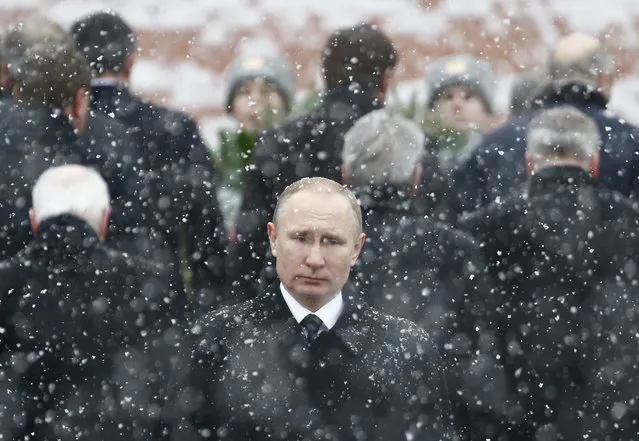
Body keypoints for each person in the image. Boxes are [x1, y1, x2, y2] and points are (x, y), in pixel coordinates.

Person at [162, 176, 453, 441]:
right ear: (274, 239)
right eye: (301, 238)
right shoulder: (215, 340)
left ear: (356, 249)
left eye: (331, 241)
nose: (314, 258)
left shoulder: (406, 349)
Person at [459, 106, 639, 440]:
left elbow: (469, 329)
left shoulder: (481, 229)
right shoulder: (630, 224)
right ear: (594, 163)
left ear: (529, 163)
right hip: (614, 412)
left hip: (515, 414)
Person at [342, 109, 498, 439]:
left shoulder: (315, 249)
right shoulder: (454, 250)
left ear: (345, 174)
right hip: (428, 423)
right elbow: (479, 360)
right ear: (415, 178)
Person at [0, 165, 187, 441]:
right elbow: (173, 388)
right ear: (104, 219)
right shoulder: (152, 285)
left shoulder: (7, 284)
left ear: (33, 221)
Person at [226, 23, 397, 302]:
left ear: (324, 75)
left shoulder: (279, 142)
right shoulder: (408, 146)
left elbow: (249, 248)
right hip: (392, 307)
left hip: (292, 312)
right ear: (386, 79)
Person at [70, 11, 227, 315]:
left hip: (76, 304)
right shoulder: (174, 129)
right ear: (129, 63)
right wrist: (209, 315)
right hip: (156, 301)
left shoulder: (65, 129)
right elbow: (207, 233)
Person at [0, 16, 159, 264]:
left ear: (17, 93)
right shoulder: (109, 141)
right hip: (98, 287)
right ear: (79, 100)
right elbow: (138, 234)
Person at [454, 32, 639, 214]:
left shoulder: (494, 144)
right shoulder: (630, 142)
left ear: (549, 78)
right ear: (603, 79)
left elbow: (466, 224)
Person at [214, 52, 295, 232]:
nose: (256, 99)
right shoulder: (216, 161)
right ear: (231, 106)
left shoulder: (300, 155)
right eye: (245, 91)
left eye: (267, 91)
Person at [423, 54, 499, 173]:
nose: (457, 105)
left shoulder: (498, 156)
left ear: (485, 108)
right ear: (434, 108)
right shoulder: (421, 158)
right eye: (448, 97)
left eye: (468, 96)